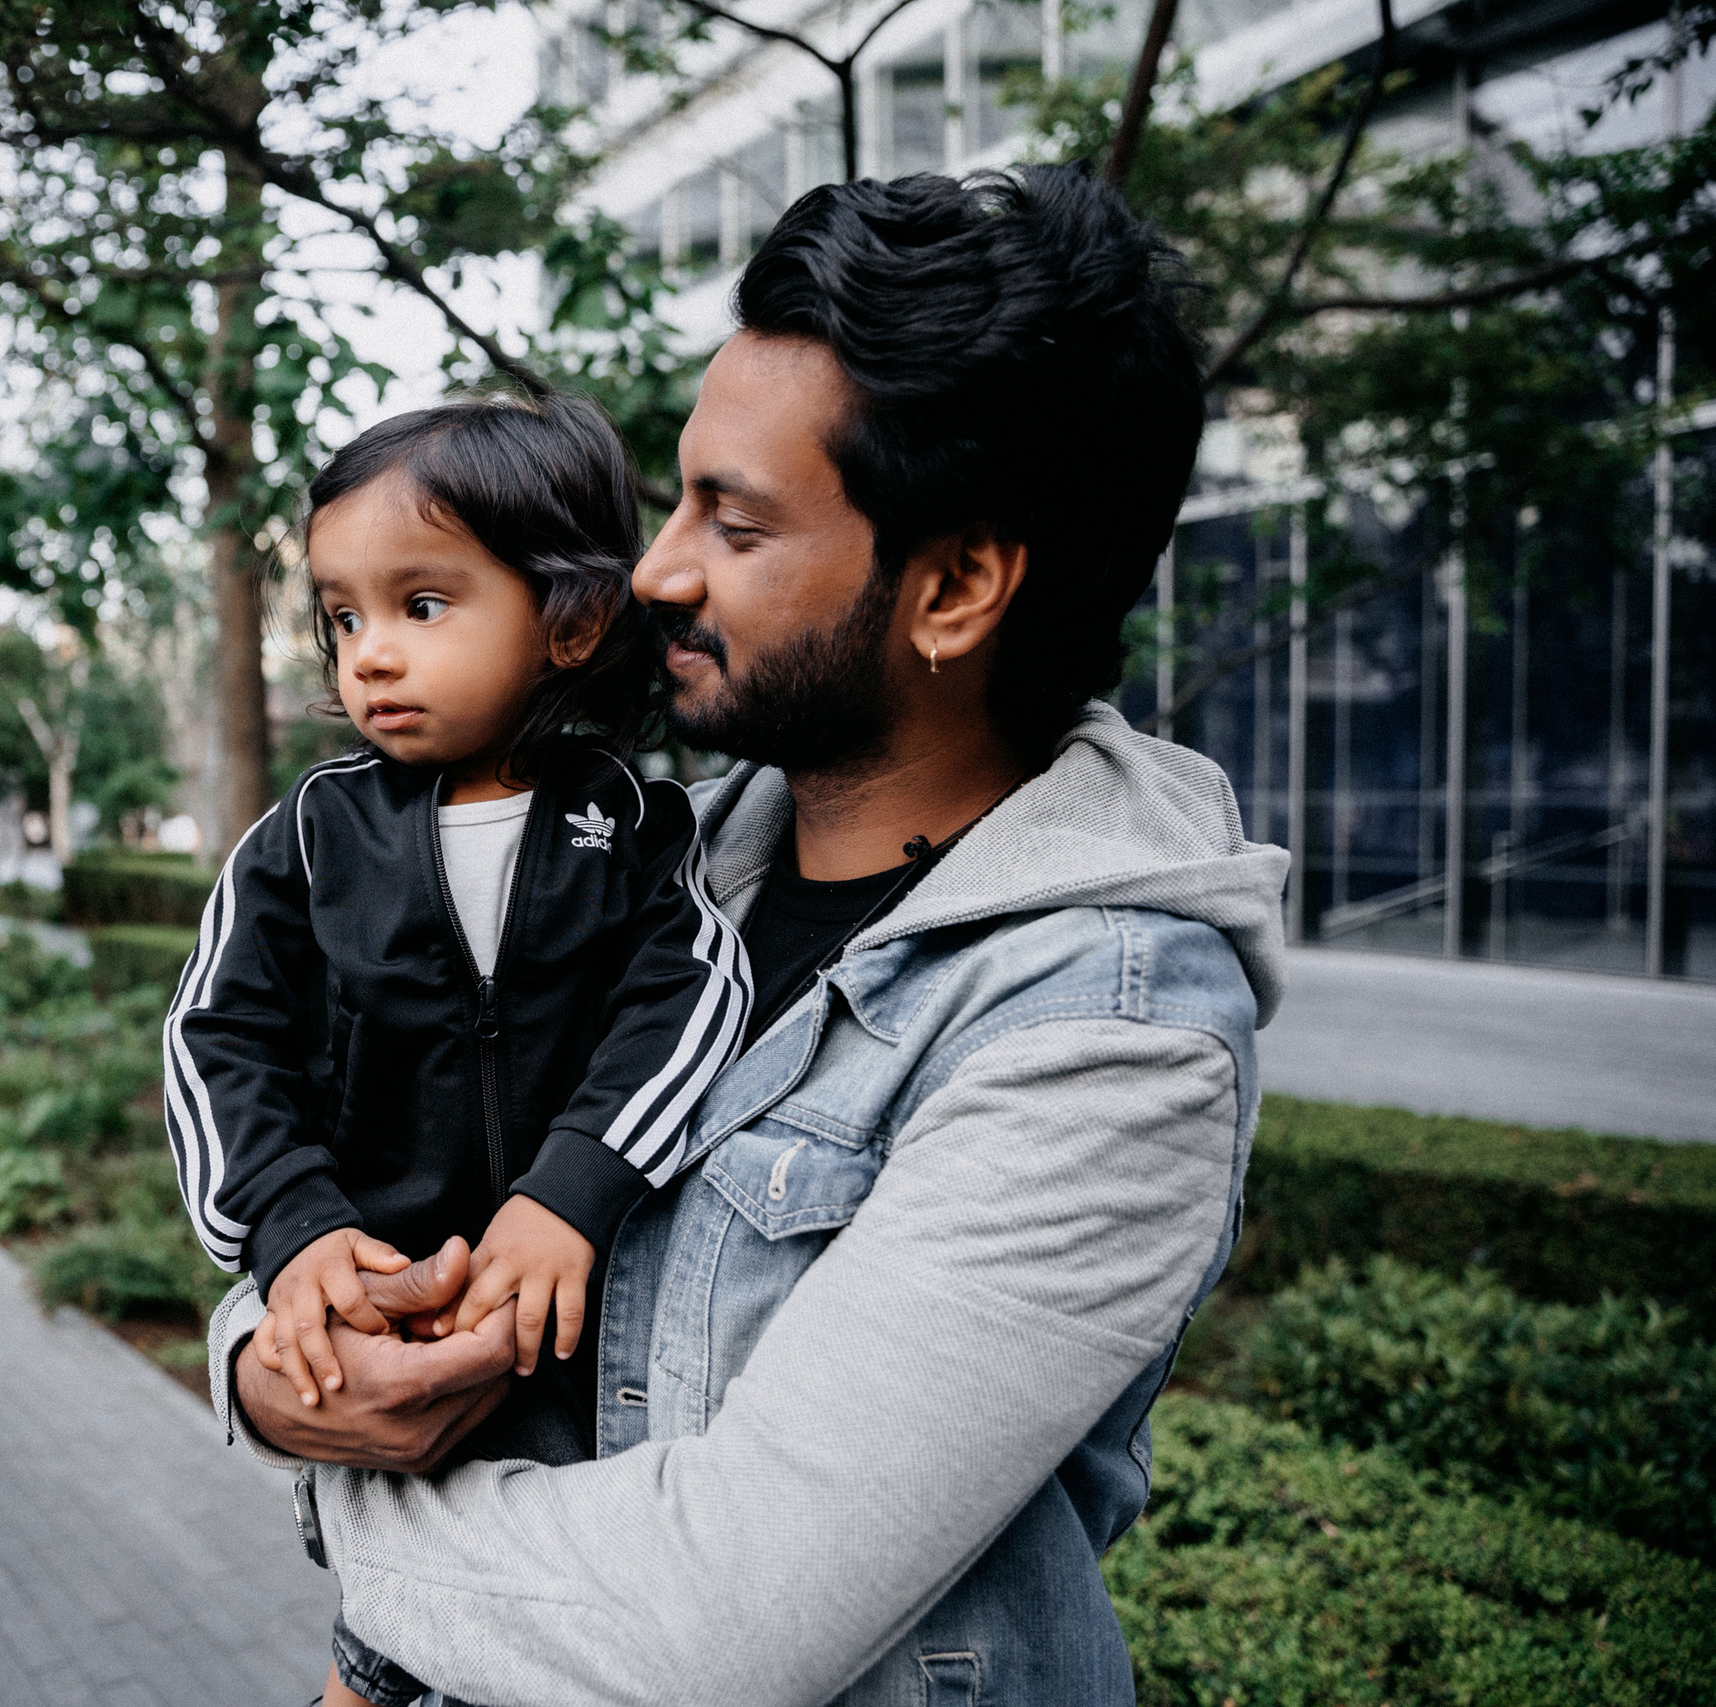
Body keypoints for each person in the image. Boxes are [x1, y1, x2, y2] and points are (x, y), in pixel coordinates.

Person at [208, 167, 1291, 1706]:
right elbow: (354, 1154)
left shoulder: (1105, 1035)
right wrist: (276, 1362)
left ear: (955, 587)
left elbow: (718, 1622)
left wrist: (341, 1486)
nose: (655, 569)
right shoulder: (645, 864)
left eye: (734, 519)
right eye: (676, 500)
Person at [163, 391, 751, 1707]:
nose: (369, 655)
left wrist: (571, 1194)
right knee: (396, 1614)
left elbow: (689, 997)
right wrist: (291, 1230)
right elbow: (218, 1036)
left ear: (572, 623)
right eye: (343, 617)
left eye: (421, 605)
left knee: (558, 1613)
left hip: (572, 1334)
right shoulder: (308, 838)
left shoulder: (633, 826)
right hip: (385, 1308)